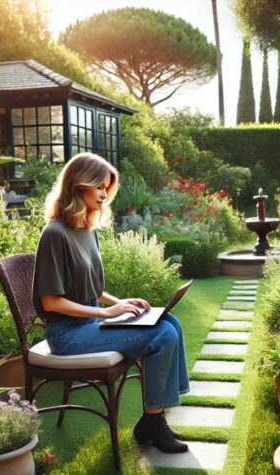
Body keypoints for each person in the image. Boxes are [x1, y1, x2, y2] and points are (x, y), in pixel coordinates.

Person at [32, 153, 189, 453]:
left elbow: (94, 289)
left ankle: (154, 417)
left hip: (89, 323)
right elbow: (51, 302)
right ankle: (153, 422)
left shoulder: (86, 229)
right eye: (99, 187)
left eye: (106, 188)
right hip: (66, 335)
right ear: (79, 185)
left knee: (170, 322)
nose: (105, 194)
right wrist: (106, 312)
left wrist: (123, 303)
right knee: (163, 334)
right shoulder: (54, 233)